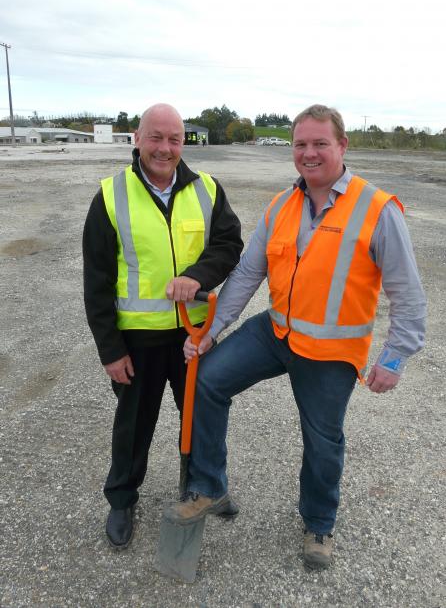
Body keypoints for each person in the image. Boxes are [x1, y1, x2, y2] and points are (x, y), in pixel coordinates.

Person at [165, 104, 426, 570]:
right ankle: (209, 486)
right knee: (207, 378)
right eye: (301, 144)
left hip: (330, 351)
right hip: (276, 331)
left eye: (320, 143)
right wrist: (210, 332)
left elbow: (408, 293)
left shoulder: (377, 209)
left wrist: (394, 357)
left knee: (322, 441)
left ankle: (319, 523)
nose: (309, 153)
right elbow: (247, 274)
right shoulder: (282, 205)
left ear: (342, 146)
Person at [83, 103, 243, 549]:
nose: (165, 148)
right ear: (137, 138)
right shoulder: (111, 196)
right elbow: (95, 282)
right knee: (134, 423)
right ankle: (121, 498)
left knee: (201, 418)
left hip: (194, 336)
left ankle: (201, 488)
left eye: (174, 139)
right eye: (156, 137)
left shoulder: (207, 189)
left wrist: (199, 276)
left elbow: (230, 243)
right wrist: (110, 351)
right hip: (138, 338)